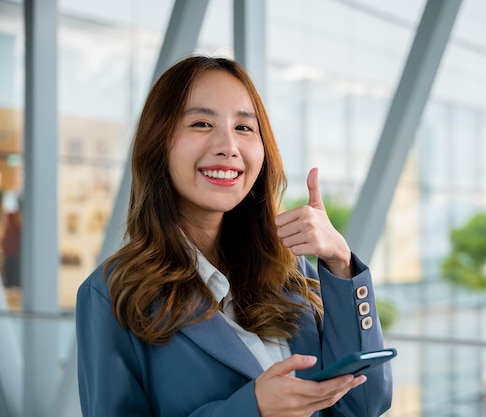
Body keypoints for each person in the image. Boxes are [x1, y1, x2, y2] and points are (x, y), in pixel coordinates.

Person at [76, 55, 393, 417]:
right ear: (158, 143)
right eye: (201, 123)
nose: (228, 145)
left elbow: (364, 405)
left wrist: (340, 263)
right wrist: (251, 408)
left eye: (244, 128)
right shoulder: (111, 294)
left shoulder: (289, 270)